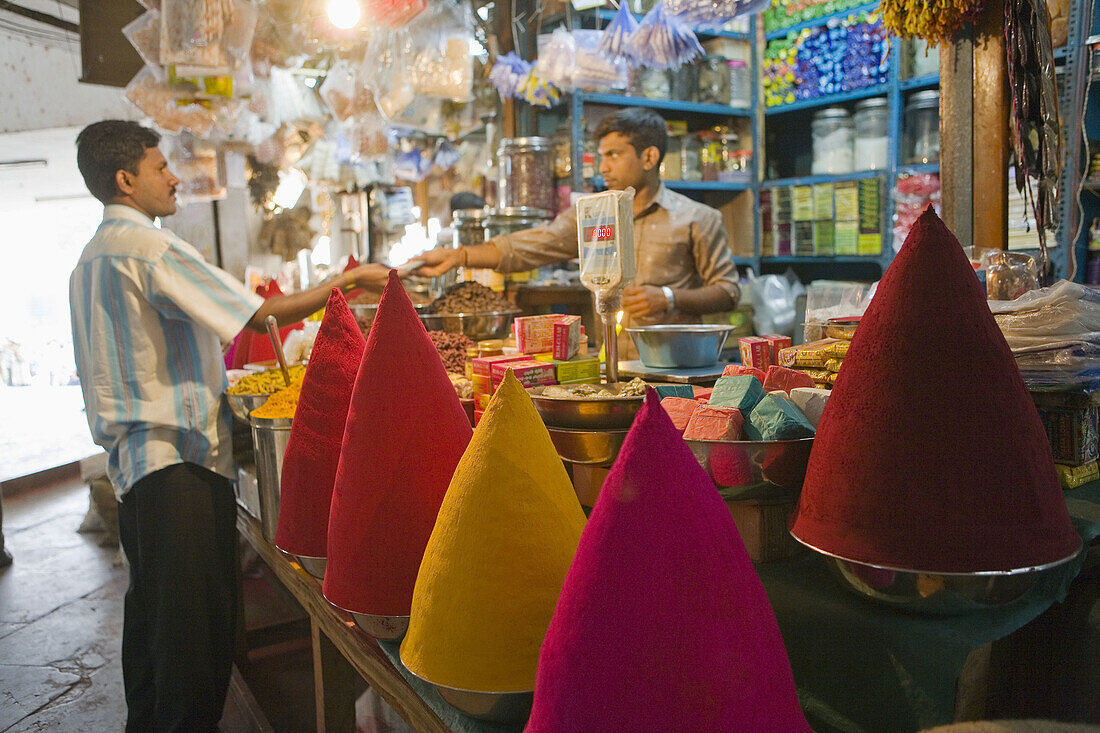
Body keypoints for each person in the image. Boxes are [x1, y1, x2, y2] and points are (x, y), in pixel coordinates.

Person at [69, 120, 388, 732]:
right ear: (125, 179)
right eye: (161, 168)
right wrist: (345, 283)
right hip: (179, 469)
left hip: (137, 470)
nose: (173, 178)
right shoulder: (149, 248)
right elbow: (257, 315)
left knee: (153, 630)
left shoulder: (92, 257)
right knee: (195, 641)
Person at [415, 108, 740, 328]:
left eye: (614, 155)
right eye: (601, 156)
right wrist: (459, 255)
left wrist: (669, 298)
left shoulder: (697, 218)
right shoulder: (595, 216)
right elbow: (533, 244)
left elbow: (728, 292)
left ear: (649, 157)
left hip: (676, 370)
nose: (603, 168)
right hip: (613, 364)